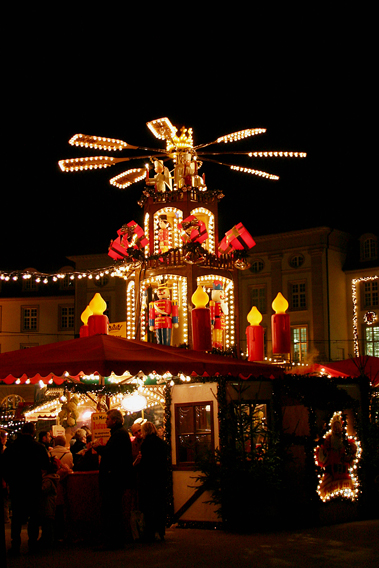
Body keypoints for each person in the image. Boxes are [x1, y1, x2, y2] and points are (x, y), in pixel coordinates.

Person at [3, 422, 50, 554]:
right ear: (33, 432)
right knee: (34, 516)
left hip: (17, 486)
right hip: (33, 486)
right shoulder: (38, 447)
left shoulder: (11, 448)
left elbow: (4, 467)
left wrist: (10, 481)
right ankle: (32, 543)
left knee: (17, 517)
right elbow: (46, 465)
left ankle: (15, 544)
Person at [94, 409, 134, 549]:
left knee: (111, 510)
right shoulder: (120, 434)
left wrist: (98, 448)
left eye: (107, 419)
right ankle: (115, 539)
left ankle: (112, 540)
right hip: (117, 478)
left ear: (114, 420)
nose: (105, 421)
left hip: (114, 479)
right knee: (114, 509)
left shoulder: (118, 435)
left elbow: (110, 454)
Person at [138, 421, 168, 542]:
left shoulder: (146, 444)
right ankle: (160, 531)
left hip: (149, 479)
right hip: (160, 478)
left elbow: (145, 463)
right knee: (159, 506)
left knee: (149, 507)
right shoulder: (161, 443)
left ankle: (150, 532)